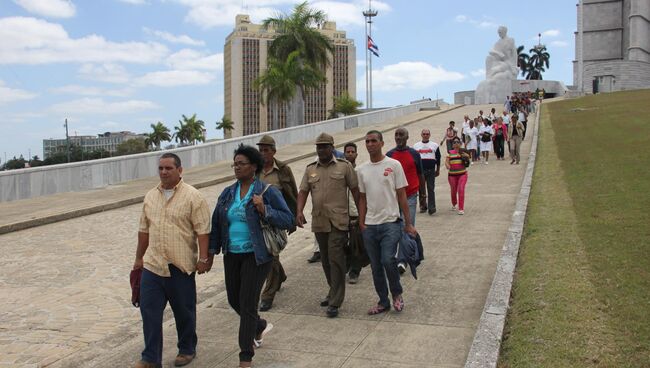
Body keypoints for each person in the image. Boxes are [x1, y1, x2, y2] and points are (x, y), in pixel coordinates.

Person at [209, 145, 294, 368]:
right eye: (235, 164)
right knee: (233, 300)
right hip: (232, 254)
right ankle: (259, 325)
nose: (236, 168)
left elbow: (287, 219)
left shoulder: (267, 191)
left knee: (247, 305)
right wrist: (211, 252)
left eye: (241, 164)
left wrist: (265, 209)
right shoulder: (227, 192)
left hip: (257, 256)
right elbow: (217, 223)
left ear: (253, 166)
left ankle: (245, 356)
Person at [133, 153, 211, 368]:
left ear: (180, 170)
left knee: (184, 312)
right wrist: (139, 258)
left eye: (168, 168)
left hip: (180, 265)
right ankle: (150, 357)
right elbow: (143, 231)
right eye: (160, 168)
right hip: (153, 265)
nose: (164, 172)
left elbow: (203, 231)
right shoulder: (150, 196)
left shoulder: (193, 197)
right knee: (149, 313)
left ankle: (187, 349)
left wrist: (204, 258)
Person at [296, 133, 359, 318]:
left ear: (332, 147)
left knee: (336, 259)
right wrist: (299, 212)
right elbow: (303, 191)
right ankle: (333, 291)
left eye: (325, 146)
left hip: (339, 222)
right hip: (319, 221)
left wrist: (362, 216)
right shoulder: (310, 169)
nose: (321, 149)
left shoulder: (344, 166)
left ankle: (335, 302)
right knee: (325, 261)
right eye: (319, 146)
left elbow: (356, 191)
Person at [357, 130, 417, 315]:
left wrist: (408, 223)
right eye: (367, 141)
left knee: (388, 260)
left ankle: (397, 294)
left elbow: (401, 195)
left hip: (391, 222)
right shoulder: (361, 170)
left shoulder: (394, 165)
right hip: (370, 225)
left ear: (382, 143)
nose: (370, 144)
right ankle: (383, 301)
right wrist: (361, 222)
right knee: (375, 267)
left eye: (374, 141)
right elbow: (362, 198)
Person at [256, 135, 298, 312]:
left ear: (273, 151)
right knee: (266, 255)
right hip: (257, 220)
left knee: (271, 255)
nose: (263, 153)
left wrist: (294, 218)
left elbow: (292, 194)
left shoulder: (283, 169)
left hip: (276, 219)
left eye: (267, 150)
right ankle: (279, 276)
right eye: (261, 150)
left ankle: (267, 295)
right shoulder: (254, 169)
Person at [387, 127, 424, 227]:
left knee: (408, 226)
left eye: (401, 135)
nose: (398, 137)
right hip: (393, 198)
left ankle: (410, 242)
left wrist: (423, 196)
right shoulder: (389, 155)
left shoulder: (414, 154)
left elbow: (420, 175)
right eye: (396, 135)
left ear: (407, 137)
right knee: (394, 228)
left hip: (410, 196)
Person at [343, 142, 367, 284]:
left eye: (352, 152)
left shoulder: (360, 171)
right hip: (341, 213)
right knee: (342, 243)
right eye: (348, 152)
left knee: (356, 243)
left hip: (355, 212)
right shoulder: (339, 170)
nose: (350, 154)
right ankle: (345, 266)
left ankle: (354, 271)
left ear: (356, 154)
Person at [413, 129, 441, 215]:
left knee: (431, 189)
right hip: (420, 171)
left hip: (431, 170)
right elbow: (414, 160)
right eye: (424, 134)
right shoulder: (416, 146)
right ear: (421, 135)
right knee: (421, 189)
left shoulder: (435, 145)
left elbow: (438, 158)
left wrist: (438, 169)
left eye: (427, 134)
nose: (425, 135)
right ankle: (423, 206)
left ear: (430, 135)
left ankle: (432, 207)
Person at [445, 137, 470, 215]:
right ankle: (454, 203)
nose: (456, 143)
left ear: (460, 144)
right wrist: (448, 165)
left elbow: (468, 160)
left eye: (457, 142)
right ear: (452, 145)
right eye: (454, 142)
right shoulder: (450, 153)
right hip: (452, 175)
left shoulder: (464, 151)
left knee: (461, 189)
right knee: (453, 190)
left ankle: (461, 208)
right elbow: (446, 162)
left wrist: (466, 157)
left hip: (462, 174)